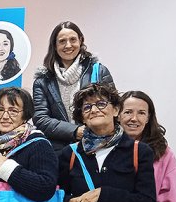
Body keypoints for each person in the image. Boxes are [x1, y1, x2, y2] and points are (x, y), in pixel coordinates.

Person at [33, 21, 115, 153]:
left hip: (98, 146)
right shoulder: (43, 80)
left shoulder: (98, 71)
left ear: (81, 40)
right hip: (59, 151)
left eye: (73, 40)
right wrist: (75, 131)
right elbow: (40, 118)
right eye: (62, 41)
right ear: (54, 45)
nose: (68, 45)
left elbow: (114, 106)